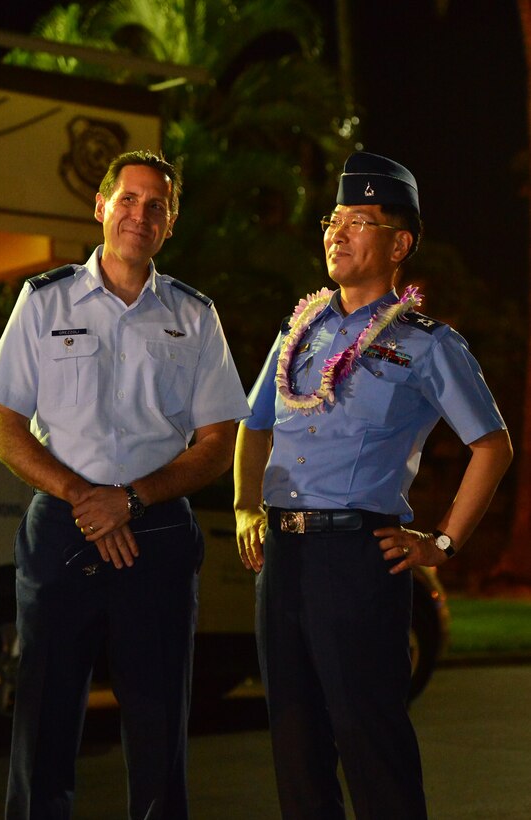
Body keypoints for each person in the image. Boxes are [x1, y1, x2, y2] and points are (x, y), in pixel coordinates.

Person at [234, 151, 513, 819]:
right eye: (335, 217)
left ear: (400, 243)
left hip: (356, 558)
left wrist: (441, 541)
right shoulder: (299, 327)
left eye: (361, 220)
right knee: (296, 744)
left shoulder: (427, 344)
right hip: (283, 555)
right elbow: (253, 423)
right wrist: (246, 504)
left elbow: (492, 445)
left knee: (369, 740)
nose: (338, 230)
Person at [0, 149, 250, 820]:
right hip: (62, 529)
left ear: (171, 222)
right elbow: (4, 426)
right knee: (42, 722)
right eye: (127, 199)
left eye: (156, 205)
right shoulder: (44, 302)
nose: (140, 213)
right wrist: (82, 497)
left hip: (155, 533)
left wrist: (130, 501)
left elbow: (219, 443)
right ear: (100, 207)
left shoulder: (194, 315)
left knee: (159, 731)